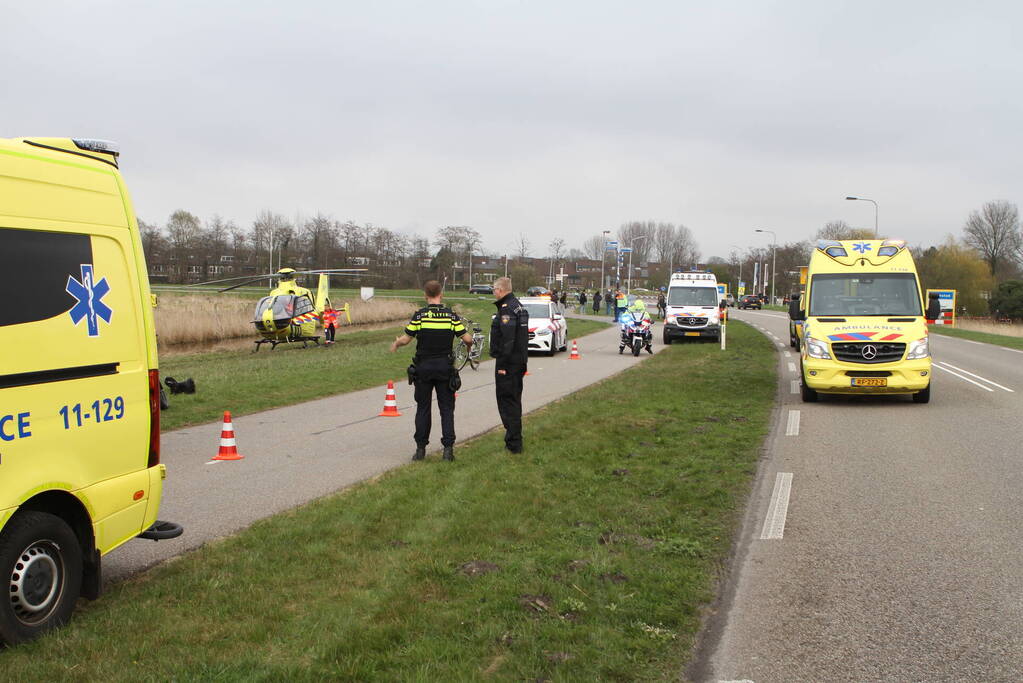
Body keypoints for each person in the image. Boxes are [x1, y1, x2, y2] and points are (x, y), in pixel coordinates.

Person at [390, 280, 474, 462]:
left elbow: (406, 339)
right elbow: (467, 339)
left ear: (425, 296)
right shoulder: (451, 316)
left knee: (423, 408)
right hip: (444, 368)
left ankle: (420, 450)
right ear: (441, 294)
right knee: (446, 409)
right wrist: (468, 348)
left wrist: (396, 343)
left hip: (424, 369)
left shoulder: (420, 316)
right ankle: (448, 451)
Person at [490, 276, 529, 453]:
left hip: (508, 363)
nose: (493, 292)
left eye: (494, 289)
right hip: (519, 361)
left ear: (500, 290)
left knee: (507, 402)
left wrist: (502, 365)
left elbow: (508, 339)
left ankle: (514, 443)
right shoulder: (518, 306)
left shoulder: (507, 309)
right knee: (514, 401)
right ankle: (514, 439)